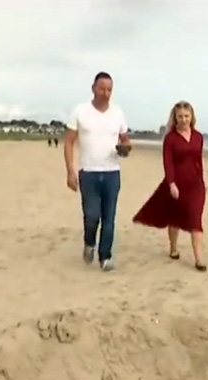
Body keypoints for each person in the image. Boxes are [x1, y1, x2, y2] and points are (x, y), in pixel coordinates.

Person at [63, 71, 131, 272]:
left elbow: (125, 139)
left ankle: (105, 257)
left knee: (109, 218)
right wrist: (70, 171)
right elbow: (69, 142)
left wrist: (126, 147)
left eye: (109, 89)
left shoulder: (118, 113)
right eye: (101, 88)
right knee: (92, 215)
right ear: (93, 88)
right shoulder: (80, 111)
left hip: (112, 172)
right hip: (89, 172)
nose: (105, 93)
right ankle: (89, 242)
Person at [132, 101, 207, 271]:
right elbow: (168, 163)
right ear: (175, 117)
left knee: (195, 219)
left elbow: (199, 161)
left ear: (192, 117)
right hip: (177, 184)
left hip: (196, 185)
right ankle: (173, 248)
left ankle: (199, 259)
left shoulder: (198, 137)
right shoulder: (171, 138)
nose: (183, 120)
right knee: (175, 217)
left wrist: (203, 181)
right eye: (180, 116)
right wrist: (171, 183)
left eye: (187, 116)